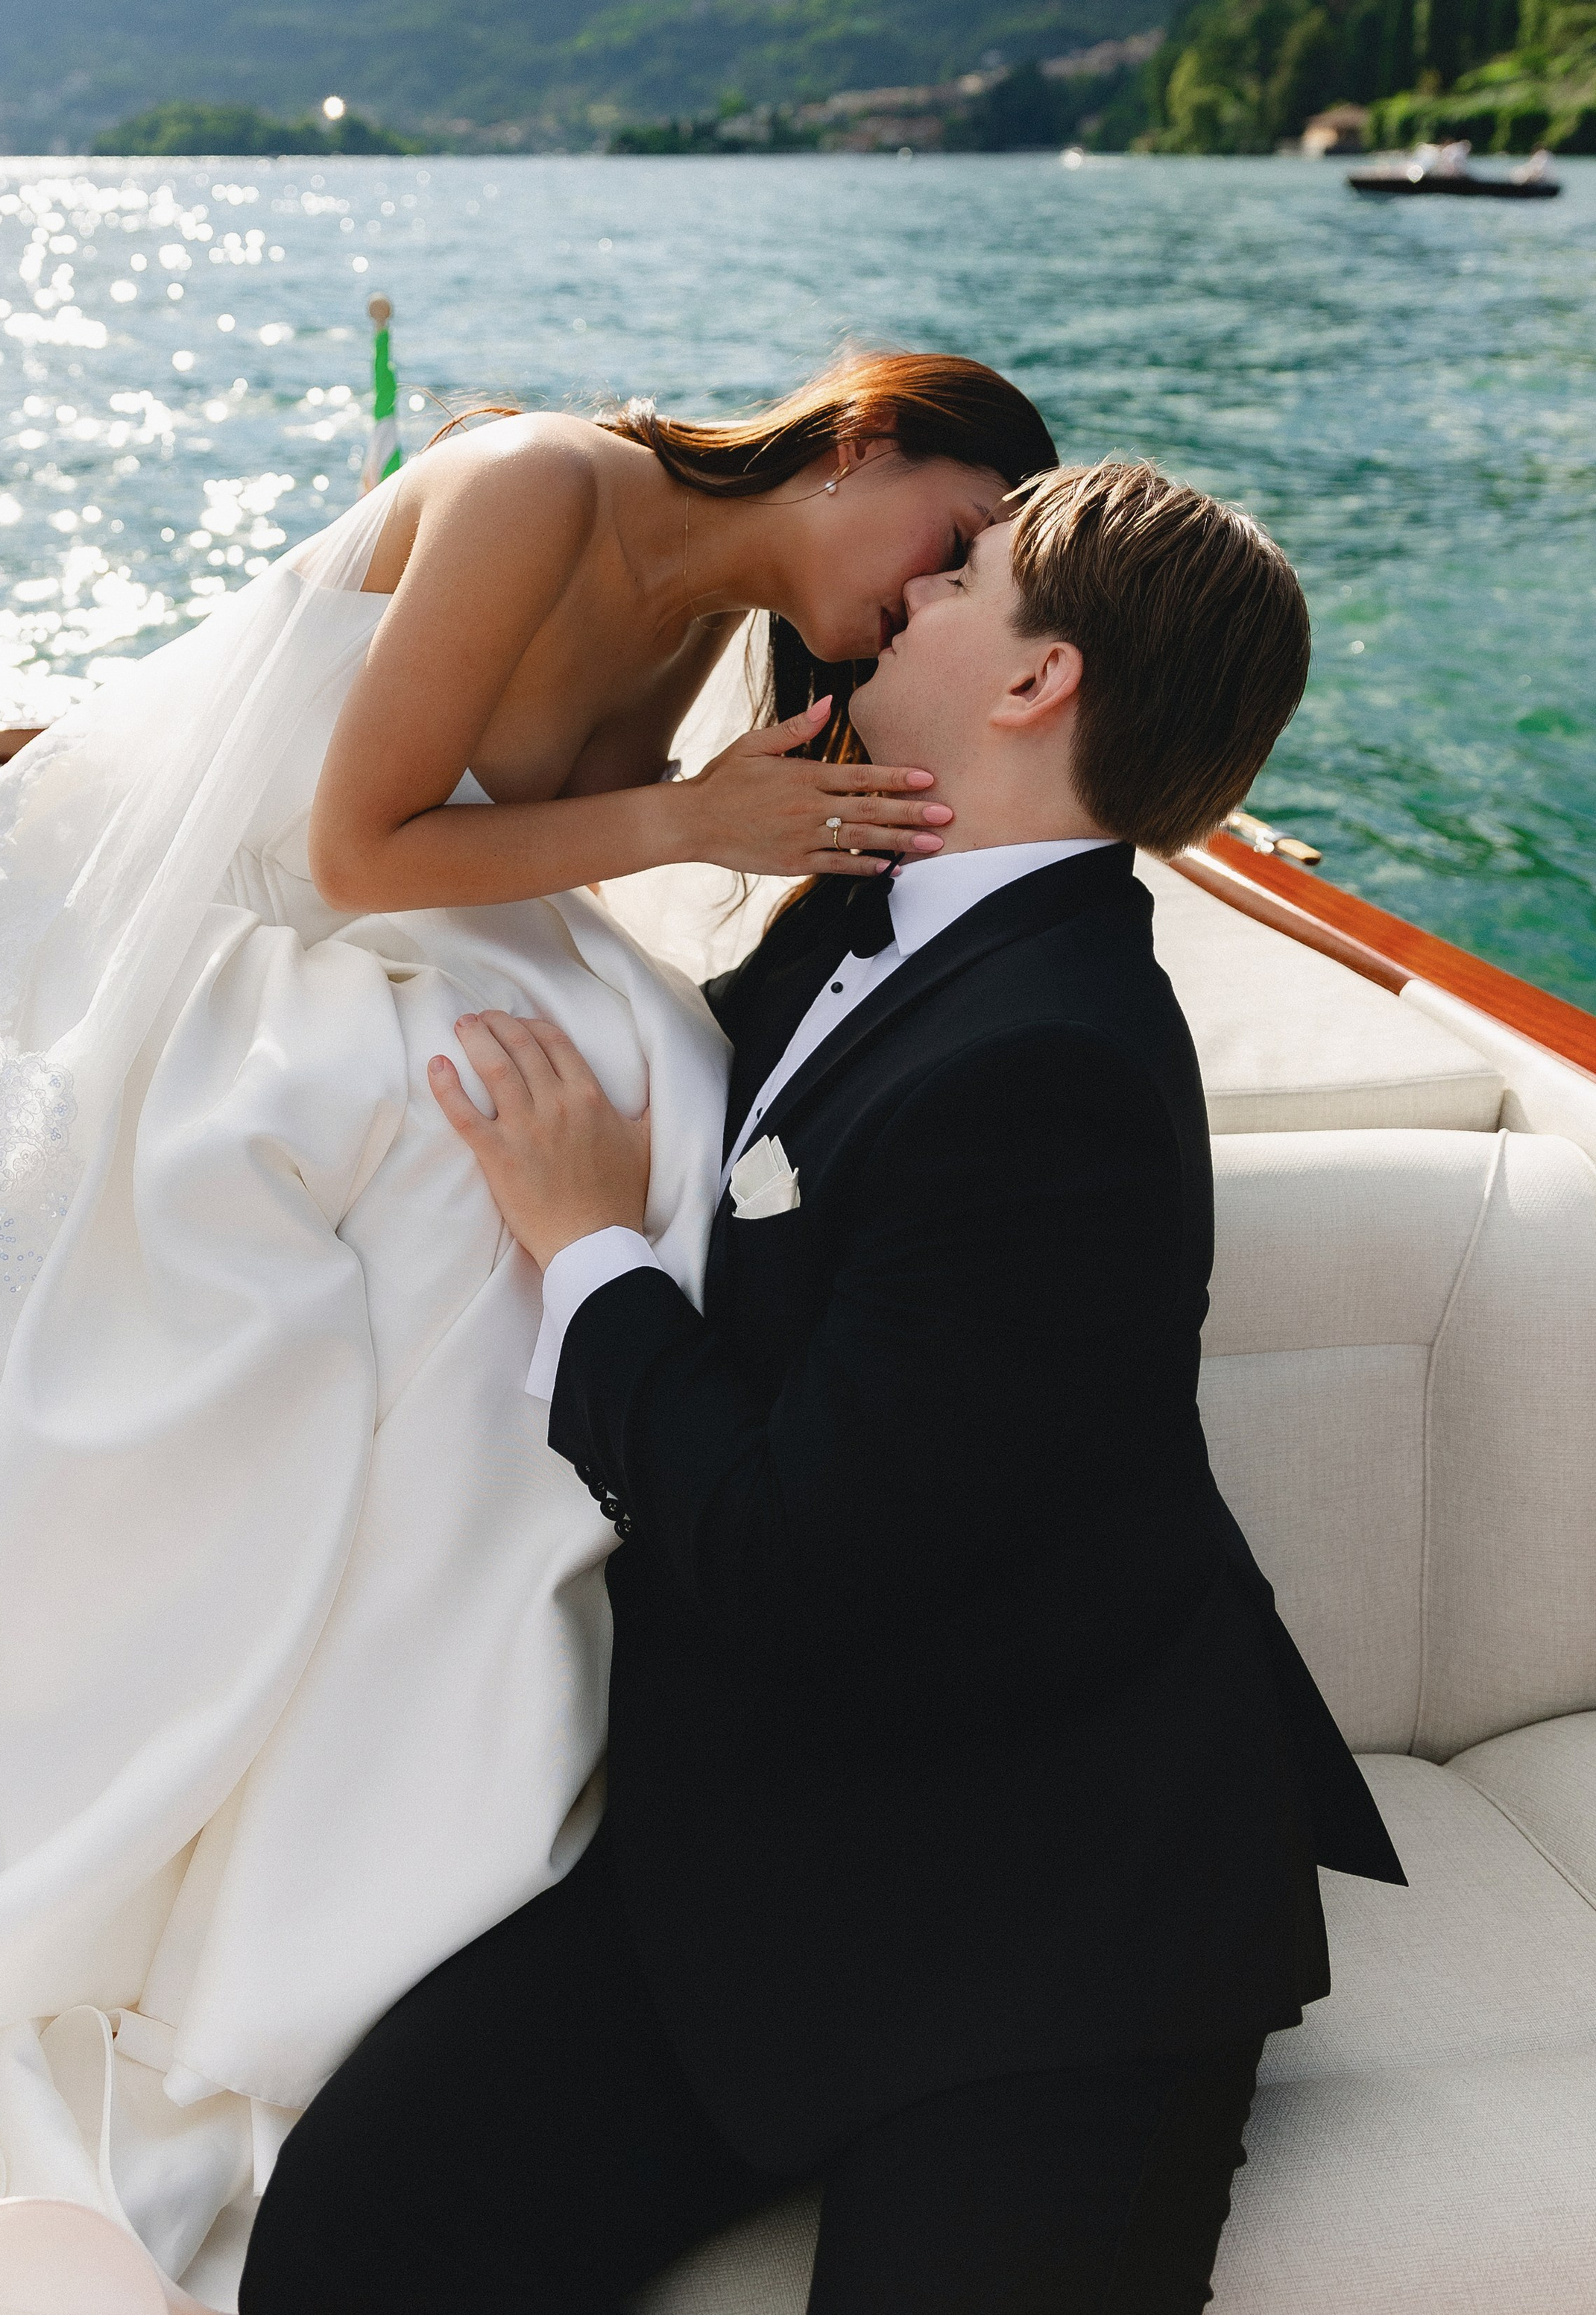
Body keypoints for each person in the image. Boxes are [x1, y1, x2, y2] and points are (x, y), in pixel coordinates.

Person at [0, 356, 1053, 2311]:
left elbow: (539, 845)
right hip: (272, 945)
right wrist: (692, 821)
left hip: (421, 932)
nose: (932, 594)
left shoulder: (696, 615)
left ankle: (481, 1769)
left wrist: (713, 835)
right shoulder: (538, 486)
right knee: (457, 1166)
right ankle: (310, 1811)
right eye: (959, 536)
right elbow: (350, 851)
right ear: (863, 440)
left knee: (657, 1091)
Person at [242, 461, 1407, 2315]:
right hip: (749, 1851)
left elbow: (789, 1553)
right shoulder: (857, 926)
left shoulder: (1056, 1071)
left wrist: (584, 1247)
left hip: (1051, 1904)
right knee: (349, 2243)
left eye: (966, 578)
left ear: (1032, 682)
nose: (913, 593)